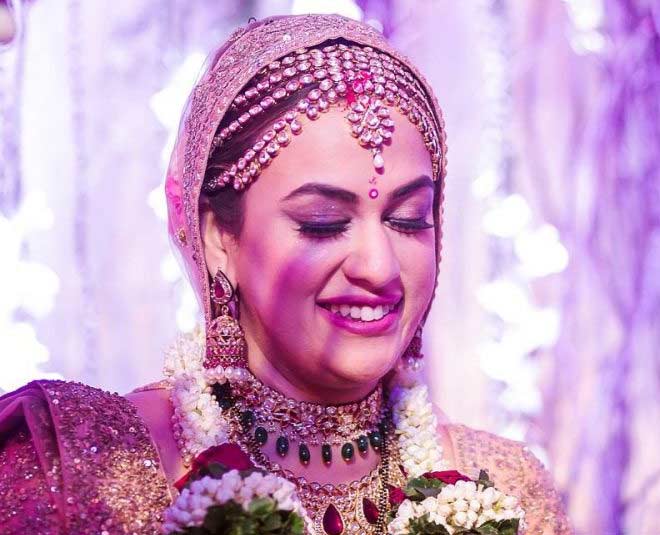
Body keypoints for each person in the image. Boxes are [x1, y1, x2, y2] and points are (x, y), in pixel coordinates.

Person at [0, 14, 573, 534]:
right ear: (217, 237)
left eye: (408, 219)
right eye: (323, 223)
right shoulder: (82, 467)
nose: (378, 267)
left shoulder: (506, 492)